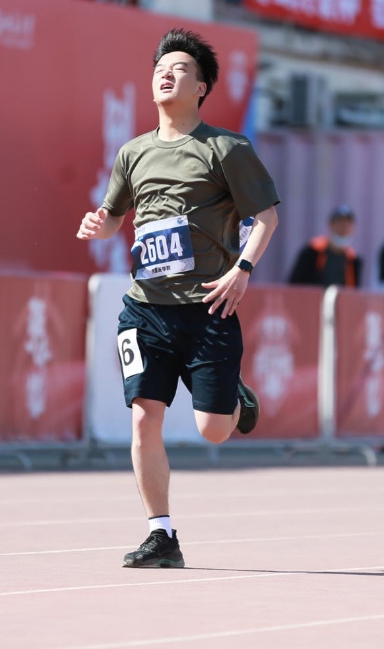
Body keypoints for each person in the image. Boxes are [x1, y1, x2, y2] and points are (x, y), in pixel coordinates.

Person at [75, 28, 280, 570]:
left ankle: (235, 397)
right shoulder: (133, 152)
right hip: (145, 309)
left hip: (209, 305)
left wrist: (242, 269)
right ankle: (161, 534)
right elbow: (113, 216)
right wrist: (100, 225)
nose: (167, 73)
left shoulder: (226, 148)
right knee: (145, 418)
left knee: (213, 430)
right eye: (160, 67)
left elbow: (266, 218)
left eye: (181, 68)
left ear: (203, 87)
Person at [287, 204, 360, 288]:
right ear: (331, 225)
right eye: (340, 223)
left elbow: (354, 290)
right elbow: (294, 284)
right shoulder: (311, 252)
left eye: (347, 225)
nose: (343, 228)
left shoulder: (354, 260)